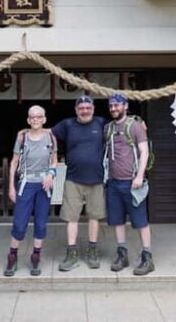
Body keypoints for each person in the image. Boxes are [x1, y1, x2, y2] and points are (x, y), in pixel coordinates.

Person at [52, 95, 107, 271]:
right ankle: (72, 253)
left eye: (87, 107)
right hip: (73, 179)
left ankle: (92, 250)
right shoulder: (67, 125)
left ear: (93, 108)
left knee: (94, 217)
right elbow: (48, 133)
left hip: (97, 178)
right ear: (76, 110)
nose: (85, 110)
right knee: (71, 217)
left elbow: (121, 125)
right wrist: (26, 131)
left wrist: (138, 122)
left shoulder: (101, 123)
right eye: (81, 108)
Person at [104, 92, 154, 276]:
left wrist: (139, 176)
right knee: (117, 220)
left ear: (125, 106)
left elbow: (144, 152)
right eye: (111, 106)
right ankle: (122, 254)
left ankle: (147, 257)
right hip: (113, 182)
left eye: (117, 105)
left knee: (140, 221)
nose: (113, 108)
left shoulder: (135, 126)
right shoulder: (108, 128)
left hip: (133, 182)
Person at [4, 105, 58, 277]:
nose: (35, 119)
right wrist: (11, 186)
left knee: (41, 223)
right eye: (32, 117)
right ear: (28, 120)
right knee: (20, 223)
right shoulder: (22, 138)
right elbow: (13, 162)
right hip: (26, 182)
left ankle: (36, 256)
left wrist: (51, 174)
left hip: (44, 184)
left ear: (44, 119)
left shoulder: (50, 137)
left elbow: (55, 161)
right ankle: (12, 256)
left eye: (39, 117)